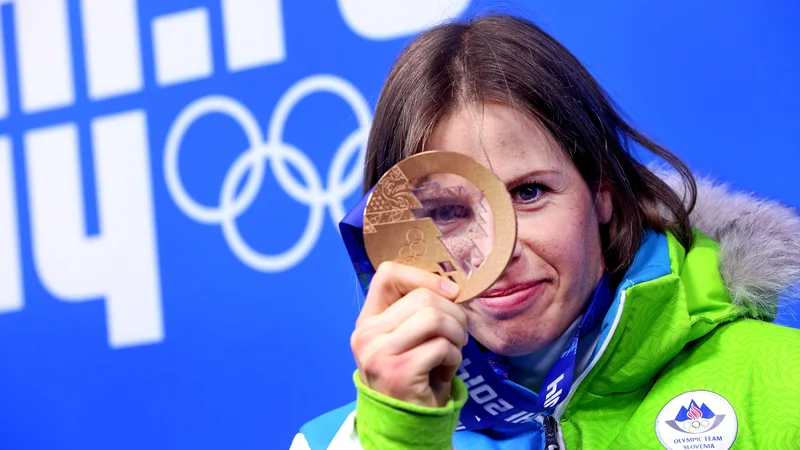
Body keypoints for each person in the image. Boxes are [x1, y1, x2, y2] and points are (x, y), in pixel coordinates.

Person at [291, 14, 800, 450]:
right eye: (446, 212)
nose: (500, 248)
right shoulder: (331, 442)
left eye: (529, 192)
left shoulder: (783, 385)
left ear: (601, 191)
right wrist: (399, 437)